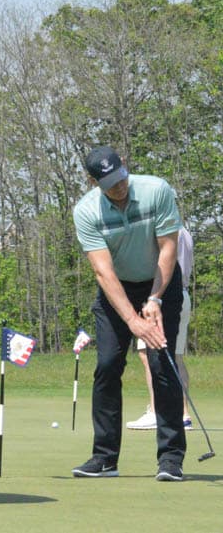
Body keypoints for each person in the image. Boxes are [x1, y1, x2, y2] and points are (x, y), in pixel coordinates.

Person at [71, 146, 186, 481]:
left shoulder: (156, 190)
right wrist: (133, 321)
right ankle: (105, 458)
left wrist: (155, 300)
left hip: (160, 283)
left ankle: (171, 459)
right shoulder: (86, 211)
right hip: (116, 289)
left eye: (120, 177)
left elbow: (168, 247)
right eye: (108, 182)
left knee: (160, 364)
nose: (118, 187)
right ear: (93, 181)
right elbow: (103, 272)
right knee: (107, 364)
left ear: (125, 165)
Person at [127, 225, 194, 430]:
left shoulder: (162, 232)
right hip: (182, 295)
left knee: (148, 354)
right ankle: (182, 414)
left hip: (160, 297)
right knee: (175, 356)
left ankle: (157, 411)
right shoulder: (185, 232)